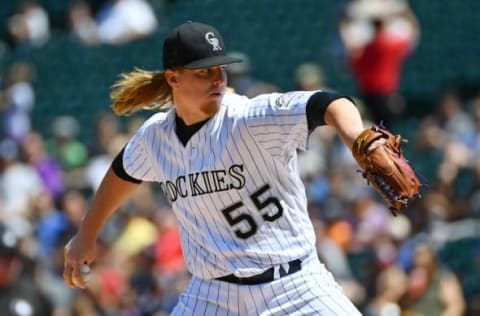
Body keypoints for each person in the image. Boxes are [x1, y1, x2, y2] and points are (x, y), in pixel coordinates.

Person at [63, 21, 367, 315]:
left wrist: (357, 138)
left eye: (221, 68)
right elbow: (122, 173)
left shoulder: (248, 118)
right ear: (173, 78)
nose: (218, 79)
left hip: (295, 286)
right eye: (204, 71)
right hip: (213, 295)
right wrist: (86, 235)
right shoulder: (155, 137)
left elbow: (327, 103)